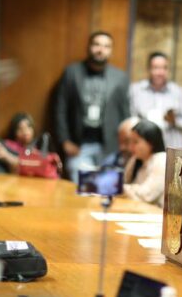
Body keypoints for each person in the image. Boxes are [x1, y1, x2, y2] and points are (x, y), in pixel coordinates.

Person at [54, 31, 130, 183]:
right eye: (97, 44)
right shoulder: (72, 73)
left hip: (110, 147)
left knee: (108, 189)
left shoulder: (120, 77)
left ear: (111, 51)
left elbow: (125, 112)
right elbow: (60, 108)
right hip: (79, 146)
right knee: (85, 188)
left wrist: (126, 145)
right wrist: (65, 140)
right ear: (88, 47)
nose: (101, 50)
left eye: (106, 46)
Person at [129, 52, 182, 149]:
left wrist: (174, 121)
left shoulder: (178, 92)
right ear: (149, 69)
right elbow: (131, 121)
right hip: (146, 148)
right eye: (156, 68)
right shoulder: (136, 90)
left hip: (172, 147)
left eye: (164, 68)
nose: (160, 72)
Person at [0, 112, 62, 179]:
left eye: (28, 127)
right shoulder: (8, 146)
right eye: (20, 128)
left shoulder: (38, 148)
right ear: (14, 131)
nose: (25, 131)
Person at [123, 120, 167, 207]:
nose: (130, 147)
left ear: (151, 143)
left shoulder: (161, 159)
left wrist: (125, 189)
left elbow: (147, 196)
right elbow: (124, 184)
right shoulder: (135, 159)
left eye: (135, 142)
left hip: (155, 212)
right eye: (130, 142)